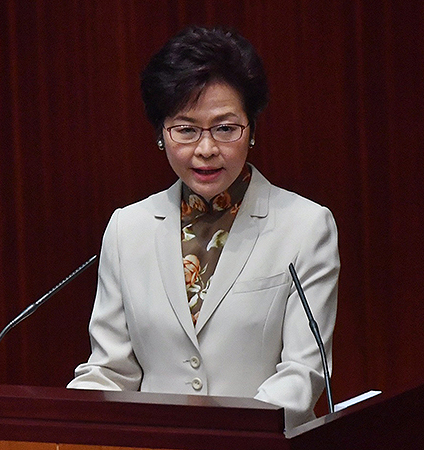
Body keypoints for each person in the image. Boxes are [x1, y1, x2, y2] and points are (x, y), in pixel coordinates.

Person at [67, 26, 339, 429]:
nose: (206, 148)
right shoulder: (128, 228)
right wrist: (64, 422)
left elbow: (303, 374)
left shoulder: (305, 226)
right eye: (185, 129)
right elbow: (111, 370)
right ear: (161, 134)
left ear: (252, 129)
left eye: (226, 128)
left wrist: (228, 435)